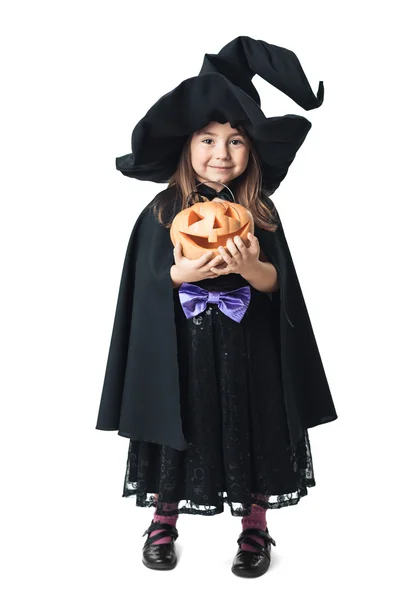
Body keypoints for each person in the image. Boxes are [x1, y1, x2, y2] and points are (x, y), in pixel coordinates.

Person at [95, 36, 338, 578]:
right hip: (178, 349)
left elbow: (279, 286)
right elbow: (146, 282)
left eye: (235, 142)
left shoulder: (261, 211)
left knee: (249, 425)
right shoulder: (161, 211)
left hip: (247, 348)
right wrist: (181, 273)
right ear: (187, 145)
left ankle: (255, 526)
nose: (221, 155)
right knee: (178, 423)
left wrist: (251, 268)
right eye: (208, 140)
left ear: (251, 151)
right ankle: (163, 518)